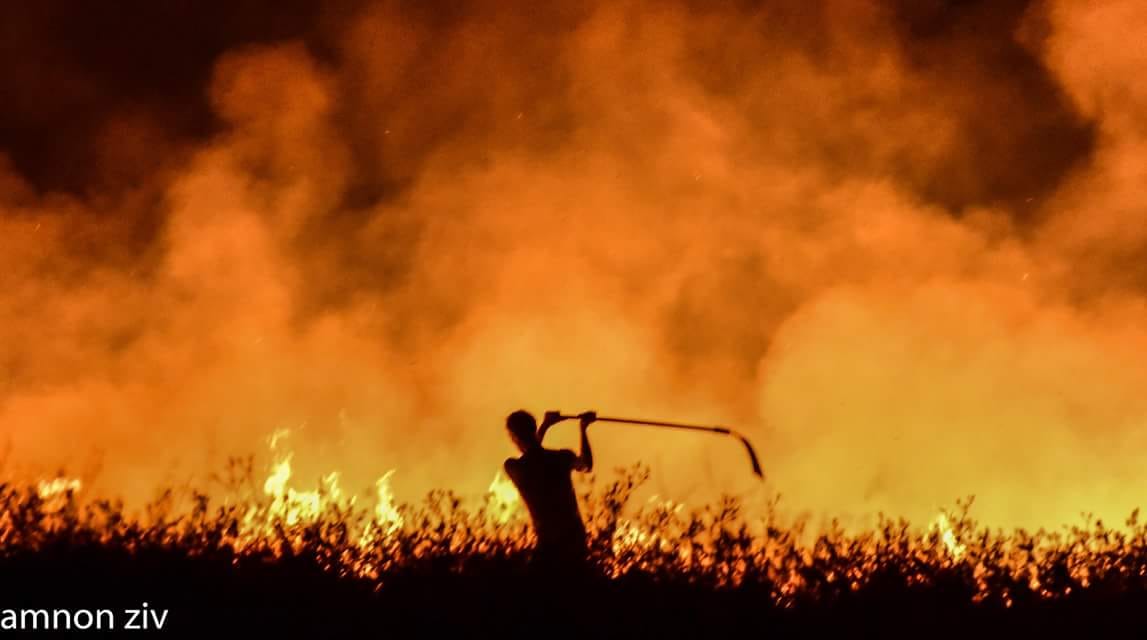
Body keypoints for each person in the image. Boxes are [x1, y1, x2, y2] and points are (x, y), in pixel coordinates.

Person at [503, 409, 595, 576]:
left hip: (549, 541)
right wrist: (583, 428)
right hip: (574, 537)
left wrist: (546, 426)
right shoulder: (561, 458)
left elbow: (531, 453)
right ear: (533, 428)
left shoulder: (514, 467)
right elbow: (586, 464)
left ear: (513, 437)